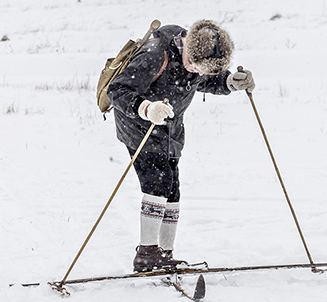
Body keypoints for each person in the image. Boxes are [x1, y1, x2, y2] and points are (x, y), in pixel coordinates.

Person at [107, 20, 255, 272]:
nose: (195, 72)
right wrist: (146, 108)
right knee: (157, 184)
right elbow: (117, 90)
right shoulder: (155, 54)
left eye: (200, 70)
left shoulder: (197, 62)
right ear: (186, 49)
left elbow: (203, 80)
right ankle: (147, 254)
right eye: (193, 66)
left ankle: (164, 252)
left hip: (170, 132)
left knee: (172, 190)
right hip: (140, 128)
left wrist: (231, 82)